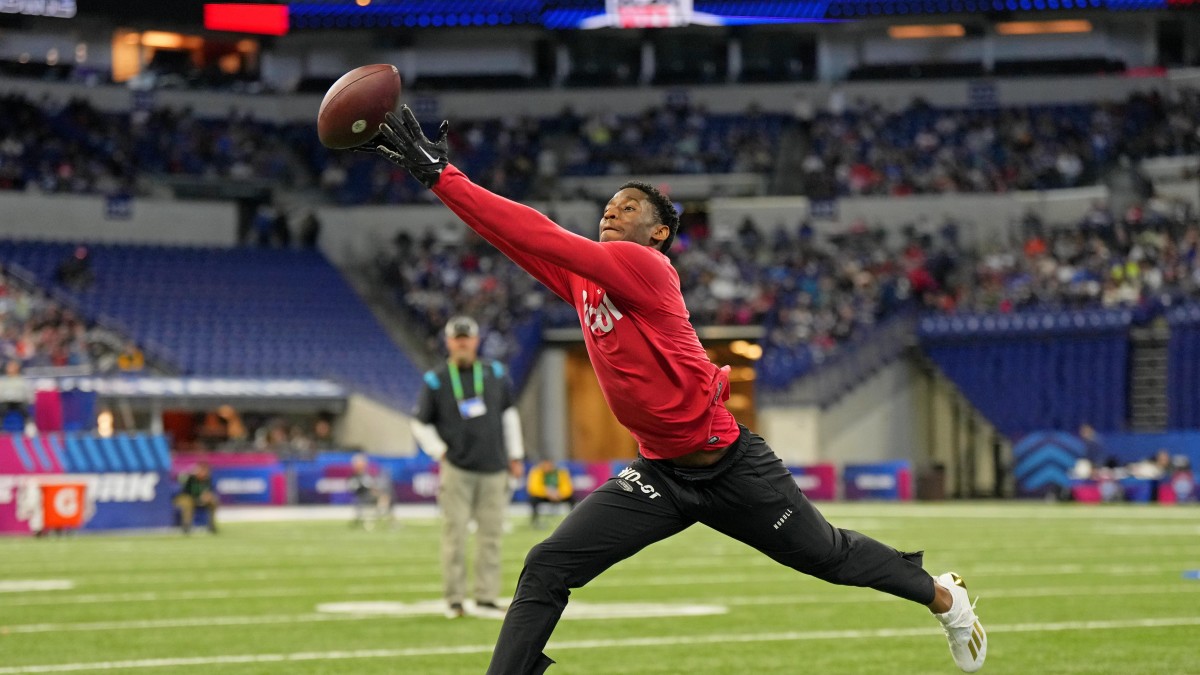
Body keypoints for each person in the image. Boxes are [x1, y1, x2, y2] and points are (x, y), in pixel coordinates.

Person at [365, 107, 988, 673]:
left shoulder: (647, 267)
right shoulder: (588, 281)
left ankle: (943, 596)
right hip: (660, 476)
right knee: (547, 566)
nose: (612, 210)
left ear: (660, 233)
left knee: (828, 556)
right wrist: (436, 180)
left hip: (729, 466)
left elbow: (541, 233)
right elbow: (511, 237)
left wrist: (444, 174)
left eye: (629, 207)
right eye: (609, 205)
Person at [410, 315, 526, 620]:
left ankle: (486, 597)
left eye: (467, 338)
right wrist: (439, 451)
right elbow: (419, 423)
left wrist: (516, 455)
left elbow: (509, 416)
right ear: (448, 342)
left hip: (494, 466)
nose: (462, 343)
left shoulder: (495, 373)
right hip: (458, 468)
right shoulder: (435, 379)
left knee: (491, 536)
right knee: (455, 536)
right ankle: (455, 600)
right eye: (457, 338)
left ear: (476, 341)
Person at [525, 459, 576, 529]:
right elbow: (533, 488)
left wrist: (559, 493)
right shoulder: (537, 472)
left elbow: (568, 488)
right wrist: (547, 492)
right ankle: (535, 521)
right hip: (543, 496)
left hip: (558, 495)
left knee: (572, 499)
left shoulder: (561, 472)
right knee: (533, 499)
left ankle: (574, 520)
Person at [348, 452, 392, 529]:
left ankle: (383, 514)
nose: (363, 464)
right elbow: (353, 488)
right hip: (362, 498)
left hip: (370, 496)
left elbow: (372, 485)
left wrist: (375, 490)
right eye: (360, 463)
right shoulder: (354, 477)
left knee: (386, 495)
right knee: (383, 497)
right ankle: (382, 515)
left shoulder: (367, 475)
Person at [174, 462, 217, 534]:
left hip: (201, 499)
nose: (204, 473)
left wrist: (207, 496)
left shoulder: (207, 480)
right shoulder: (191, 478)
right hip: (187, 497)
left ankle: (211, 525)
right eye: (202, 471)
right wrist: (198, 497)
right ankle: (186, 526)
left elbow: (210, 491)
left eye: (205, 471)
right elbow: (186, 492)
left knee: (213, 500)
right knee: (188, 503)